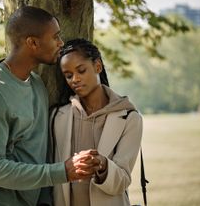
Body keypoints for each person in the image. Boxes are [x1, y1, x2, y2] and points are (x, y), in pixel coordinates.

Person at [0, 7, 101, 206]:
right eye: (55, 37)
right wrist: (63, 172)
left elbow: (37, 151)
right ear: (32, 42)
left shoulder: (36, 84)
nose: (61, 43)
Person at [51, 38, 143, 206]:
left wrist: (102, 164)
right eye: (69, 75)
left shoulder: (130, 118)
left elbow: (122, 180)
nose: (75, 79)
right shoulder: (58, 116)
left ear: (98, 66)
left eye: (81, 70)